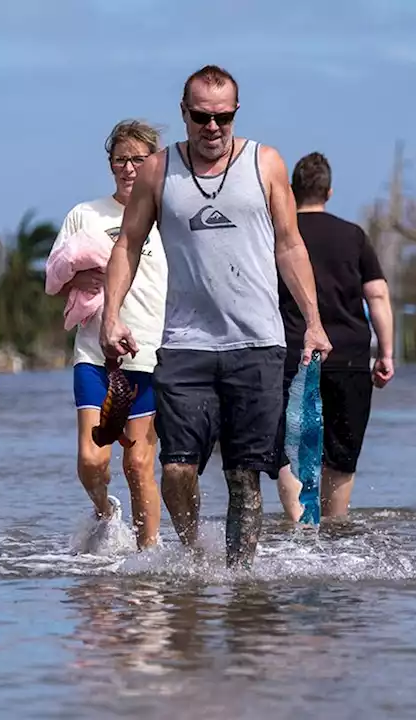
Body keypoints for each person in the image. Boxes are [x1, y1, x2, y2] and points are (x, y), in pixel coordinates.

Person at [99, 64, 331, 569]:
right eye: (202, 116)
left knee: (244, 474)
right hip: (186, 343)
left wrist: (313, 321)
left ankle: (239, 578)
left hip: (257, 344)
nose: (212, 128)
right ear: (183, 113)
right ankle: (196, 562)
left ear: (235, 114)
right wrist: (110, 315)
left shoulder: (264, 163)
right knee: (177, 468)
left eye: (222, 117)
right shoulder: (160, 171)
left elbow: (291, 246)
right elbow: (128, 245)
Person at [48, 119, 166, 551]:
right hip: (95, 354)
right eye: (121, 159)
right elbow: (55, 279)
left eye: (139, 159)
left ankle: (146, 559)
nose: (129, 168)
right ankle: (103, 510)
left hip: (150, 355)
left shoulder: (168, 215)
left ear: (154, 161)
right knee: (92, 458)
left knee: (138, 464)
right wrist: (78, 279)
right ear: (109, 163)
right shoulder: (85, 215)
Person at [274, 152, 395, 522]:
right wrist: (386, 352)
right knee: (341, 453)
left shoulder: (279, 234)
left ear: (292, 191)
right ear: (329, 190)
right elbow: (376, 295)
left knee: (288, 448)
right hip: (349, 358)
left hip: (291, 354)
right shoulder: (353, 236)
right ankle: (334, 528)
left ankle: (299, 528)